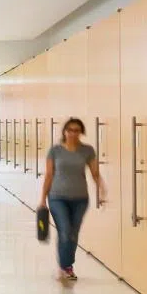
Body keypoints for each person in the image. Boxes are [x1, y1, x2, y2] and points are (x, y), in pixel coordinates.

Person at [38, 117, 105, 282]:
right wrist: (42, 199)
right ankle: (64, 266)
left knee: (73, 234)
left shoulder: (87, 150)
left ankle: (67, 266)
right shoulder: (55, 151)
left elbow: (95, 173)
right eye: (69, 130)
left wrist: (101, 190)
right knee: (65, 231)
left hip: (80, 199)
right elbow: (49, 175)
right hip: (57, 197)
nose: (72, 133)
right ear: (64, 132)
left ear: (81, 132)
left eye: (76, 130)